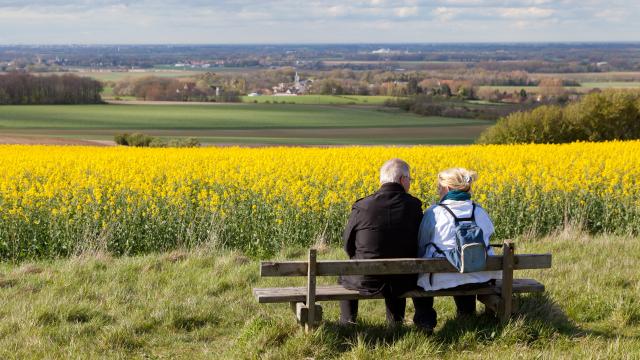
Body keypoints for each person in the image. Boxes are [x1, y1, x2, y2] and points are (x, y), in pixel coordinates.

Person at [339, 158, 433, 329]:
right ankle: (395, 323)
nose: (410, 183)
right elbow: (422, 242)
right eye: (410, 179)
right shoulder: (414, 206)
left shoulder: (362, 206)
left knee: (346, 273)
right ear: (402, 179)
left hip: (367, 279)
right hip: (406, 279)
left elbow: (347, 245)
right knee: (398, 270)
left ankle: (347, 324)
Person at [416, 167, 501, 327]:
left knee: (423, 271)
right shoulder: (479, 211)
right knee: (465, 269)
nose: (438, 191)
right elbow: (488, 236)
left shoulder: (435, 212)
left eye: (439, 187)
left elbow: (421, 244)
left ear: (447, 189)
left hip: (440, 280)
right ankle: (467, 315)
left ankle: (425, 322)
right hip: (480, 278)